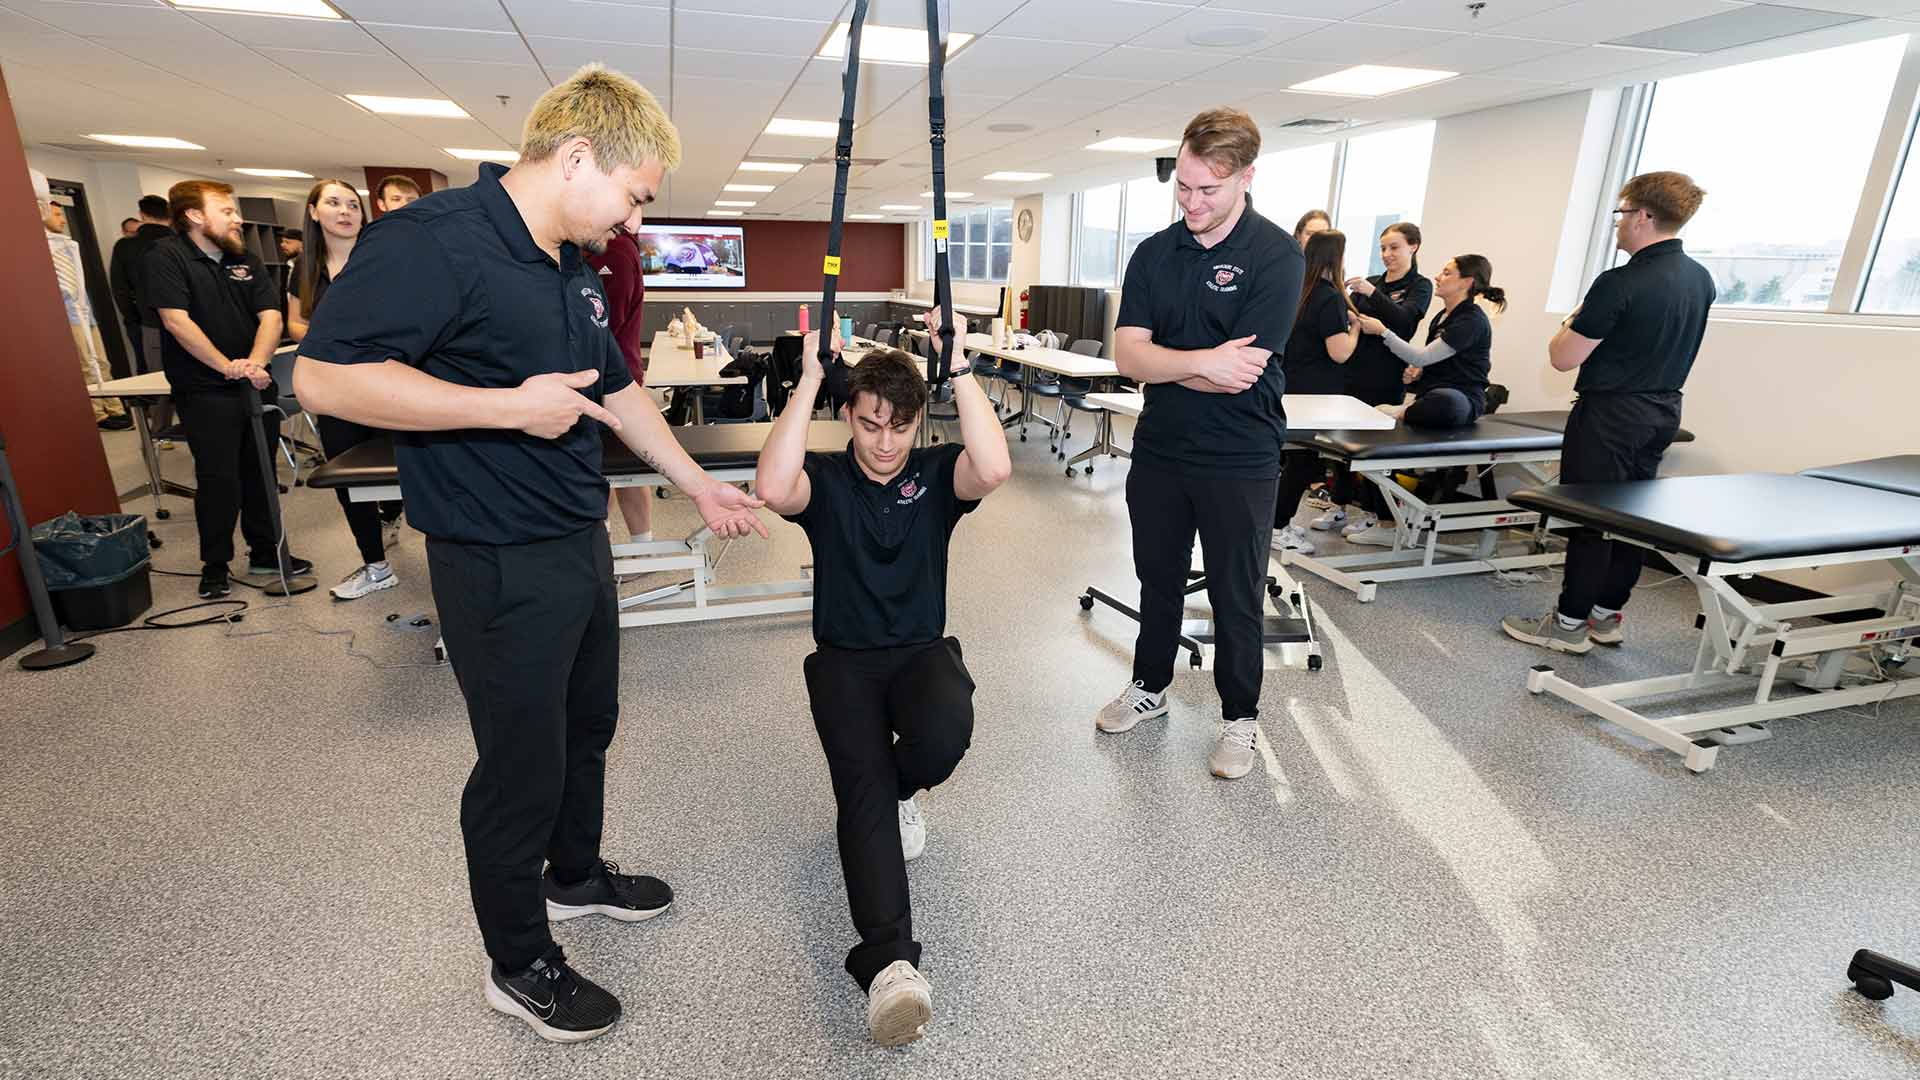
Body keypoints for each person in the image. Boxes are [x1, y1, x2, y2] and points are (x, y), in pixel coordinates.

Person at [293, 64, 768, 1045]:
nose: (634, 222)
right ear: (578, 158)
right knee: (520, 767)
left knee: (587, 724)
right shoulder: (433, 242)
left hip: (572, 538)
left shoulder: (565, 259)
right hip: (493, 554)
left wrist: (694, 482)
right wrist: (503, 407)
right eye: (635, 196)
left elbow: (620, 389)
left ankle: (575, 874)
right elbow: (324, 381)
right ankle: (518, 965)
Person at [756, 306, 1010, 1047]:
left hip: (919, 652)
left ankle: (904, 790)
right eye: (870, 424)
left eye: (901, 427)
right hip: (844, 664)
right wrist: (807, 379)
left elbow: (992, 467)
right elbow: (773, 486)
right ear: (848, 417)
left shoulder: (935, 476)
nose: (886, 442)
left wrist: (958, 367)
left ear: (918, 424)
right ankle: (892, 967)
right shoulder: (828, 481)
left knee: (943, 735)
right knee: (859, 792)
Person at [1095, 106, 1303, 781]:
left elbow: (1240, 373)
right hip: (1159, 448)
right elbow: (1127, 354)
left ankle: (1240, 718)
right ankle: (1149, 688)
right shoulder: (1156, 253)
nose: (1191, 202)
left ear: (1245, 177)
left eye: (1207, 190)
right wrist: (1199, 362)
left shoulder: (1275, 255)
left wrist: (1173, 357)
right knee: (1157, 579)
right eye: (1182, 186)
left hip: (1240, 458)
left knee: (1237, 593)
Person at [1503, 171, 1715, 655]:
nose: (1618, 225)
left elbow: (1563, 357)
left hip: (1610, 415)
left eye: (1621, 214)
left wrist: (1574, 316)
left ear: (1643, 216)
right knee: (1631, 517)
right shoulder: (1700, 279)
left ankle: (1569, 623)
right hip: (1662, 412)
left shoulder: (1620, 281)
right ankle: (1605, 615)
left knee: (1592, 518)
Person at [146, 179, 312, 599]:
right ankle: (215, 564)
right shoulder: (166, 257)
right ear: (195, 216)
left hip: (255, 381)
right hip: (204, 388)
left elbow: (271, 316)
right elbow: (176, 321)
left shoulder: (246, 259)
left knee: (260, 470)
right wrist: (227, 368)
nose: (237, 218)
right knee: (219, 478)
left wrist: (254, 364)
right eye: (226, 210)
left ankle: (265, 551)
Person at [285, 178, 405, 601]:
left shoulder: (384, 259)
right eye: (333, 203)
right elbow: (296, 324)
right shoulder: (305, 269)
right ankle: (376, 565)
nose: (345, 211)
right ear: (314, 212)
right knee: (349, 480)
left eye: (352, 204)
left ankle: (392, 517)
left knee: (407, 470)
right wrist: (337, 338)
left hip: (390, 385)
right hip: (336, 391)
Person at [1313, 222, 1432, 546]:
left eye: (1394, 247)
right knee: (1340, 446)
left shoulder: (1418, 286)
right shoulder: (1373, 282)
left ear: (1413, 247)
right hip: (1352, 373)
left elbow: (1405, 322)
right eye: (1383, 248)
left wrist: (1373, 296)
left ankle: (1375, 514)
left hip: (1385, 377)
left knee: (1377, 449)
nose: (1387, 254)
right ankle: (1338, 504)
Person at [1271, 229, 1359, 556]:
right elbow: (1340, 352)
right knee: (1303, 464)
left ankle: (1278, 522)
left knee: (1294, 460)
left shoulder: (1299, 292)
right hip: (1314, 395)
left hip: (1291, 387)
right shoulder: (1330, 298)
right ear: (1336, 259)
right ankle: (1278, 528)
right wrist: (1357, 330)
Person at [1357, 254, 1505, 427]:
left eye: (1447, 273)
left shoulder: (1471, 320)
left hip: (1462, 398)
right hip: (1430, 394)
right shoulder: (1441, 317)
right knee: (1436, 397)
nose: (1437, 277)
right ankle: (1413, 409)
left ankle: (1403, 411)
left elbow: (1421, 357)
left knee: (1448, 401)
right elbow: (1432, 360)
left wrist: (1383, 332)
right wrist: (1419, 371)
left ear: (1466, 282)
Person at [32, 172, 130, 431]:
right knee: (86, 363)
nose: (63, 220)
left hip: (84, 311)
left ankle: (115, 406)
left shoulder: (66, 245)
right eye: (57, 215)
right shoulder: (38, 247)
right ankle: (98, 413)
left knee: (101, 361)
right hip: (66, 314)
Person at [586, 228, 652, 541]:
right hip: (603, 377)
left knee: (616, 468)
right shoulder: (597, 247)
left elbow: (605, 327)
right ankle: (608, 546)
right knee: (606, 470)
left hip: (612, 381)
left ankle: (642, 548)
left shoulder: (615, 250)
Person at [110, 194, 179, 437]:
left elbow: (120, 289)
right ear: (169, 215)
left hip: (150, 323)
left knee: (158, 380)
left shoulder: (126, 246)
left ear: (142, 215)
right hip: (191, 320)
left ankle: (160, 433)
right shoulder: (183, 241)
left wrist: (134, 319)